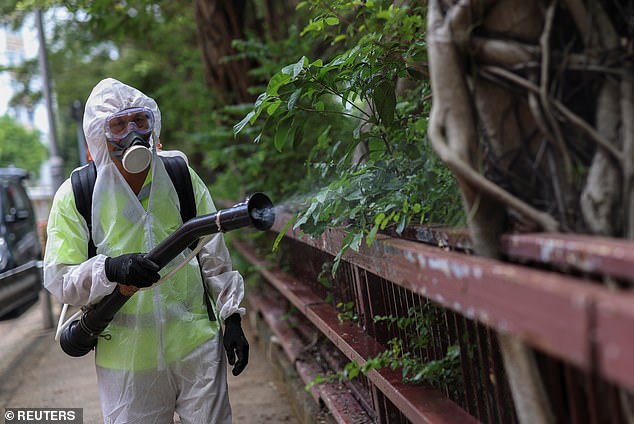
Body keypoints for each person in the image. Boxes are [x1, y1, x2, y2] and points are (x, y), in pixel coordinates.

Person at [44, 78, 249, 423]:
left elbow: (212, 253)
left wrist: (232, 318)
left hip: (195, 345)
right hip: (127, 361)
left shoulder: (178, 174)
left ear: (153, 124)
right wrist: (110, 269)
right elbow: (60, 278)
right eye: (118, 124)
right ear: (99, 135)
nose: (132, 133)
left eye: (140, 120)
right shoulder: (78, 194)